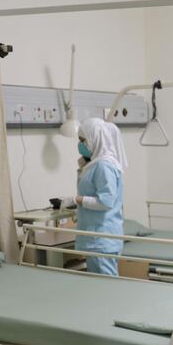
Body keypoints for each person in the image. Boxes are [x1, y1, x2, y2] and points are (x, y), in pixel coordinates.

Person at [61, 118, 126, 276]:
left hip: (102, 237)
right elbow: (88, 190)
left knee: (107, 286)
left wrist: (77, 200)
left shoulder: (104, 166)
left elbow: (106, 201)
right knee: (98, 284)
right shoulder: (96, 165)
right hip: (96, 236)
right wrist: (82, 168)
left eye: (83, 140)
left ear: (94, 139)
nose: (80, 145)